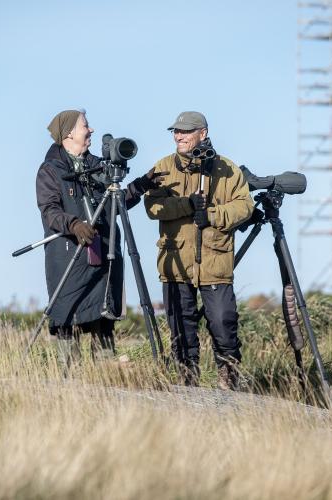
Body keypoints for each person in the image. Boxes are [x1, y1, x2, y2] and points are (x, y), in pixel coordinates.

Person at [36, 109, 165, 370]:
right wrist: (74, 224)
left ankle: (106, 377)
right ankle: (68, 383)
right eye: (86, 125)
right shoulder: (50, 170)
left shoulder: (98, 167)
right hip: (70, 258)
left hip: (103, 256)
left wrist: (141, 185)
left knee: (102, 317)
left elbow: (113, 206)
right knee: (67, 318)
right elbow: (49, 211)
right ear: (69, 133)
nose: (91, 130)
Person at [144, 111, 254, 389]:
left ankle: (228, 378)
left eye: (185, 131)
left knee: (223, 321)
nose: (178, 136)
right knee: (181, 327)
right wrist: (188, 206)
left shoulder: (226, 169)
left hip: (215, 261)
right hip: (175, 261)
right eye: (175, 132)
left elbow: (245, 206)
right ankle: (186, 380)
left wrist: (213, 215)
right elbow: (152, 207)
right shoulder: (163, 167)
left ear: (202, 133)